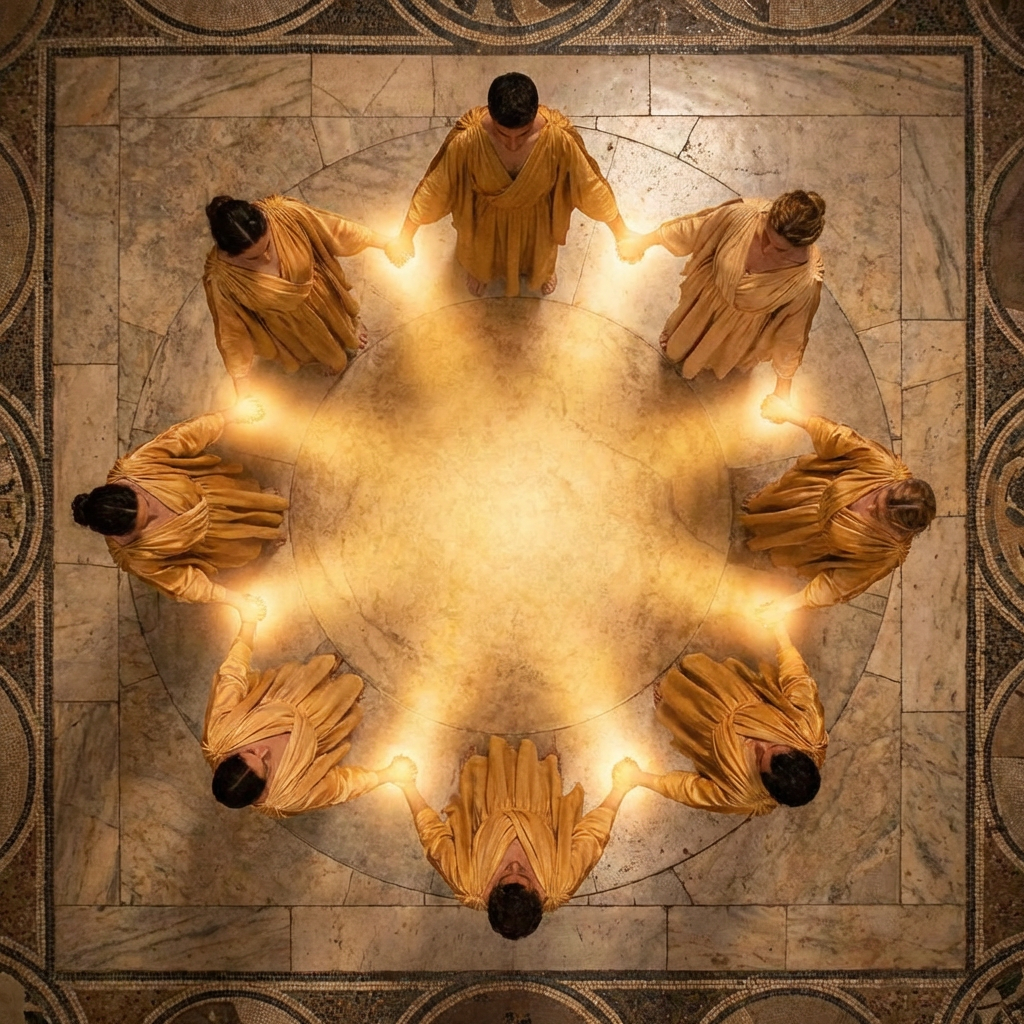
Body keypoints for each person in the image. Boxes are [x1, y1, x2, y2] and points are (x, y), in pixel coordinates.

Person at [385, 71, 637, 297]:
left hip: (537, 221)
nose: (513, 145)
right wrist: (405, 236)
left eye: (524, 134)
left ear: (535, 114)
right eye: (503, 134)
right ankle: (479, 271)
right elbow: (436, 187)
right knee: (480, 258)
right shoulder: (468, 140)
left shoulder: (558, 139)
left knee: (538, 259)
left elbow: (590, 186)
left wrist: (621, 233)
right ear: (492, 116)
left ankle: (541, 272)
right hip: (485, 219)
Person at [395, 736, 636, 939]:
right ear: (540, 895)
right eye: (523, 875)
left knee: (476, 764)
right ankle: (546, 769)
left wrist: (407, 785)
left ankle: (475, 769)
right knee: (546, 755)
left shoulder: (468, 884)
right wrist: (620, 788)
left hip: (488, 802)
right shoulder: (560, 884)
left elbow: (433, 837)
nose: (513, 867)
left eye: (504, 878)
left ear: (490, 894)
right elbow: (593, 835)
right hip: (538, 801)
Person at [71, 399, 281, 616]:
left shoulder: (136, 466)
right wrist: (235, 600)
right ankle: (260, 538)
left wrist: (229, 415)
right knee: (250, 546)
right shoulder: (135, 557)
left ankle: (258, 500)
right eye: (147, 521)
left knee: (248, 493)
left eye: (146, 504)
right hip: (218, 540)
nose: (154, 513)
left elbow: (183, 437)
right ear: (126, 534)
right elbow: (183, 583)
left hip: (221, 493)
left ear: (129, 488)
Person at [617, 190, 826, 403]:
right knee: (683, 333)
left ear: (802, 247)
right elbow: (695, 228)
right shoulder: (743, 215)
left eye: (780, 250)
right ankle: (682, 341)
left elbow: (793, 335)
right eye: (765, 235)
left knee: (715, 352)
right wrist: (645, 241)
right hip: (704, 299)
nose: (767, 249)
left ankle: (707, 358)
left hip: (739, 328)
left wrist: (783, 388)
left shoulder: (805, 281)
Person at [203, 610, 414, 816]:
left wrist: (248, 624)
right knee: (347, 694)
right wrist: (387, 774)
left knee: (314, 669)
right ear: (263, 792)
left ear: (226, 758)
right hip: (321, 725)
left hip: (288, 692)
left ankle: (324, 667)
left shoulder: (221, 735)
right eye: (265, 764)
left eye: (250, 752)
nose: (263, 751)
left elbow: (231, 678)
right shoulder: (291, 796)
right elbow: (341, 786)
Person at [744, 395, 936, 617]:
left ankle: (768, 534)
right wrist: (789, 414)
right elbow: (838, 437)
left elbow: (839, 585)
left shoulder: (886, 554)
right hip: (805, 492)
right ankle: (764, 503)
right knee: (769, 500)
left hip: (808, 539)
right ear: (896, 484)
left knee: (773, 542)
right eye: (878, 500)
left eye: (880, 517)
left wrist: (788, 604)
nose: (871, 509)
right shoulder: (885, 467)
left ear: (901, 530)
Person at [621, 623, 827, 815]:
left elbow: (688, 790)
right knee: (701, 670)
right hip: (732, 692)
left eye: (759, 757)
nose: (759, 745)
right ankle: (691, 680)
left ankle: (673, 700)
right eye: (774, 745)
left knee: (674, 702)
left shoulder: (742, 796)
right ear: (798, 751)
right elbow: (798, 681)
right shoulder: (808, 732)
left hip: (700, 725)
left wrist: (639, 778)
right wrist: (781, 634)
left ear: (766, 784)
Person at [203, 194, 389, 398]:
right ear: (230, 253)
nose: (266, 258)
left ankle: (348, 330)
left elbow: (335, 229)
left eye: (267, 245)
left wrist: (383, 243)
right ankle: (323, 356)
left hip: (323, 296)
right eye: (253, 257)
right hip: (291, 325)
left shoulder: (285, 214)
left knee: (342, 320)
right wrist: (241, 384)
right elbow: (230, 330)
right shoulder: (221, 279)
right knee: (317, 350)